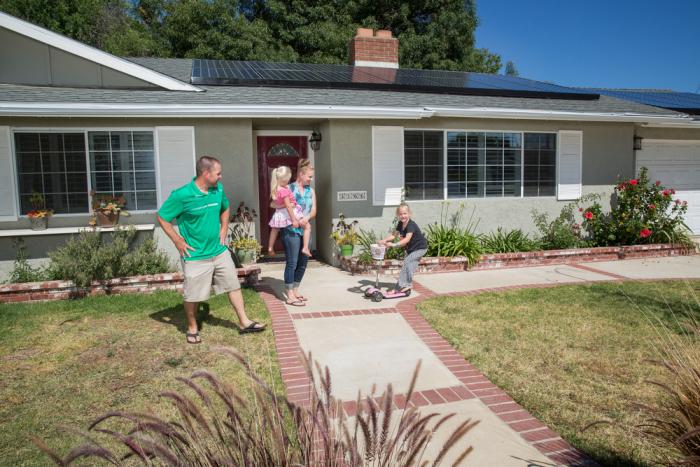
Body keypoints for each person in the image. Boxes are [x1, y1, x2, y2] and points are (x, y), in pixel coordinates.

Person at [157, 155, 266, 344]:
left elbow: (225, 206)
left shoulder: (217, 189)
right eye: (218, 173)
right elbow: (162, 217)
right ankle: (192, 327)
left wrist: (224, 227)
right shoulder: (182, 195)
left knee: (233, 284)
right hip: (195, 255)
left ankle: (244, 322)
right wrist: (177, 240)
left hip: (219, 251)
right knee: (193, 295)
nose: (221, 176)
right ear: (206, 174)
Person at [281, 159, 316, 306]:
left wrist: (306, 218)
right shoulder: (288, 189)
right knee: (292, 262)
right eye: (309, 176)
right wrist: (296, 219)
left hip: (305, 228)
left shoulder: (311, 191)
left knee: (303, 263)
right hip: (291, 230)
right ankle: (289, 294)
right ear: (301, 174)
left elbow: (314, 209)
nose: (310, 179)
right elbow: (278, 204)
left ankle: (295, 289)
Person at [378, 203, 428, 294]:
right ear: (398, 215)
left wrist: (393, 245)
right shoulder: (400, 224)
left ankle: (403, 286)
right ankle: (403, 286)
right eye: (400, 214)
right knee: (408, 267)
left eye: (405, 213)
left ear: (409, 214)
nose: (403, 216)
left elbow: (407, 239)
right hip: (412, 249)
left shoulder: (411, 225)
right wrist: (383, 240)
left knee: (408, 262)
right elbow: (394, 235)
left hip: (420, 248)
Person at [266, 166, 311, 257]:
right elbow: (288, 206)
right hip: (290, 212)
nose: (288, 182)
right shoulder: (284, 191)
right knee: (307, 226)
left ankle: (270, 247)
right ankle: (305, 247)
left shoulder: (276, 189)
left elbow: (273, 204)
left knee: (274, 229)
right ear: (285, 179)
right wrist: (294, 220)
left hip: (279, 213)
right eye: (287, 180)